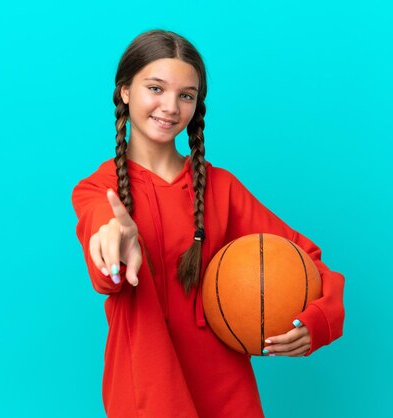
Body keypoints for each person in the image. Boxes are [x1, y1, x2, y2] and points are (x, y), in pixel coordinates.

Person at [71, 29, 345, 418]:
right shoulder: (98, 192)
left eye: (186, 95)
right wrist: (115, 246)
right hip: (144, 390)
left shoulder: (221, 188)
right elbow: (105, 268)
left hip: (227, 393)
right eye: (155, 88)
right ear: (125, 91)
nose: (170, 106)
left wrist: (318, 321)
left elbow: (308, 260)